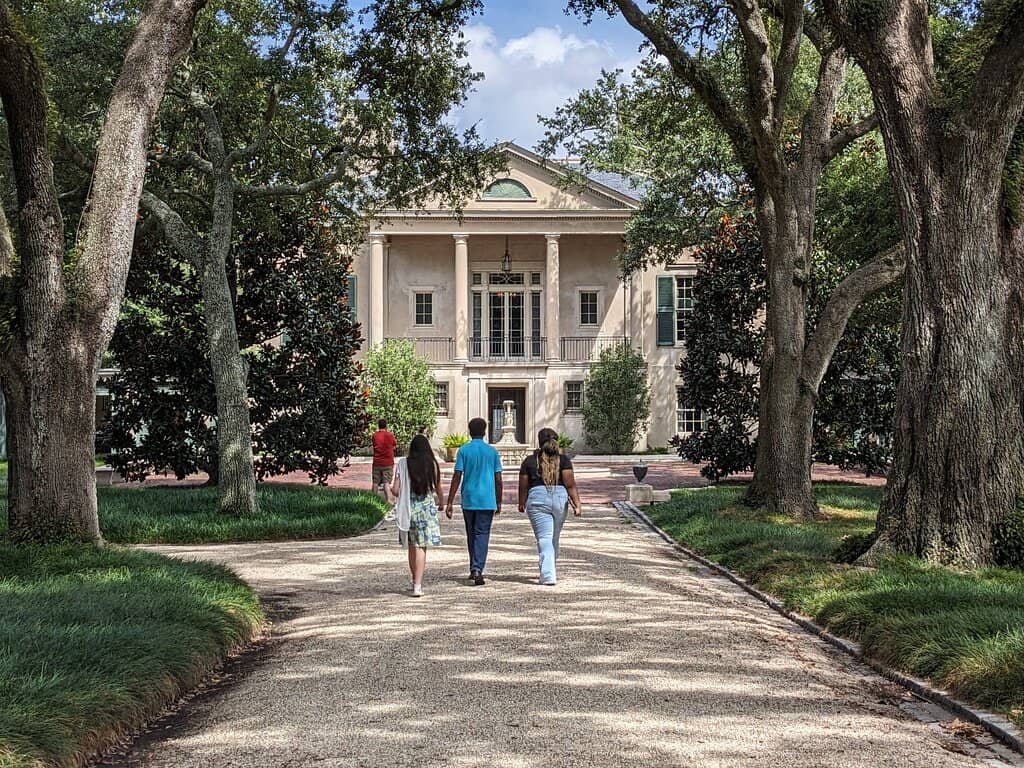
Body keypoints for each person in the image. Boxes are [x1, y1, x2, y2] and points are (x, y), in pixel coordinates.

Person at [518, 428, 582, 586]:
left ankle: (548, 575)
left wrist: (521, 502)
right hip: (560, 497)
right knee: (554, 537)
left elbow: (523, 485)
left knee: (544, 538)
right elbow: (570, 484)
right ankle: (549, 568)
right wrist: (577, 504)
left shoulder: (530, 461)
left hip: (537, 498)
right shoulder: (564, 460)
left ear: (539, 442)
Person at [445, 417, 502, 585]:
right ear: (485, 432)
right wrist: (499, 500)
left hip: (469, 498)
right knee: (482, 534)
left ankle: (474, 567)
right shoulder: (492, 452)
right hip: (487, 499)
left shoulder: (463, 451)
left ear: (469, 432)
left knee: (471, 534)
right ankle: (477, 568)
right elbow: (498, 478)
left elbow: (457, 475)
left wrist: (450, 501)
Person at [390, 434, 443, 597]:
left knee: (412, 546)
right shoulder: (432, 464)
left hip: (408, 509)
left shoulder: (403, 464)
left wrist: (390, 488)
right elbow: (438, 487)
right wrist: (442, 502)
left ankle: (414, 581)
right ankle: (418, 585)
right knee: (422, 547)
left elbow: (396, 490)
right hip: (426, 509)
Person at [371, 419, 397, 501]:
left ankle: (372, 500)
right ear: (386, 426)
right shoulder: (390, 435)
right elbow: (394, 445)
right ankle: (388, 500)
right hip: (388, 463)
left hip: (377, 462)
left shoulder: (374, 435)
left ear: (378, 425)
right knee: (386, 483)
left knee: (375, 482)